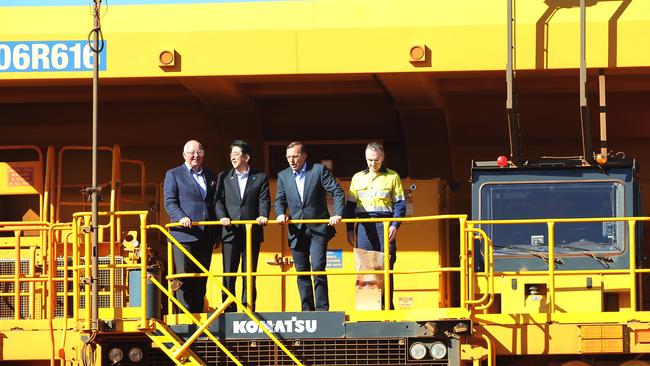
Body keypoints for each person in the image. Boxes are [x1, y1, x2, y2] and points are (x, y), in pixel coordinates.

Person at [275, 142, 345, 311]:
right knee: (302, 271)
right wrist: (279, 213)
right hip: (296, 230)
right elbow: (280, 199)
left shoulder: (318, 170)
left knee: (318, 268)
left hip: (318, 229)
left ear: (304, 156)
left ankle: (322, 311)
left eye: (295, 156)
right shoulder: (283, 176)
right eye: (289, 157)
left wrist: (337, 214)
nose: (292, 160)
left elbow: (337, 191)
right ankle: (307, 310)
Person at [345, 142, 405, 310]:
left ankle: (387, 308)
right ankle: (368, 309)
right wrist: (349, 229)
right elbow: (350, 206)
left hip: (384, 225)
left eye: (376, 160)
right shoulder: (357, 177)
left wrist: (395, 225)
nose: (373, 164)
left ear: (383, 158)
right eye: (370, 160)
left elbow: (400, 204)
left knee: (386, 265)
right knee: (365, 266)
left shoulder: (393, 177)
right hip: (363, 226)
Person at [164, 139, 218, 313]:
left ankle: (198, 314)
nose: (196, 156)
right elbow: (170, 202)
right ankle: (185, 317)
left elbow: (214, 204)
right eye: (192, 152)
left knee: (201, 279)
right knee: (184, 278)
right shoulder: (174, 174)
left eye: (199, 152)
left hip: (205, 235)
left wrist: (216, 232)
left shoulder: (211, 176)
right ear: (184, 155)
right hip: (183, 234)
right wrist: (181, 217)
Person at [215, 140, 270, 312]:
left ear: (246, 157)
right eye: (231, 154)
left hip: (251, 231)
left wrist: (263, 215)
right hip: (230, 231)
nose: (232, 157)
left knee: (249, 273)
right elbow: (218, 201)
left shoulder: (260, 177)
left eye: (236, 154)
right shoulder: (223, 176)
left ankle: (249, 309)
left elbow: (264, 200)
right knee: (229, 274)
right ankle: (228, 309)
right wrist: (222, 217)